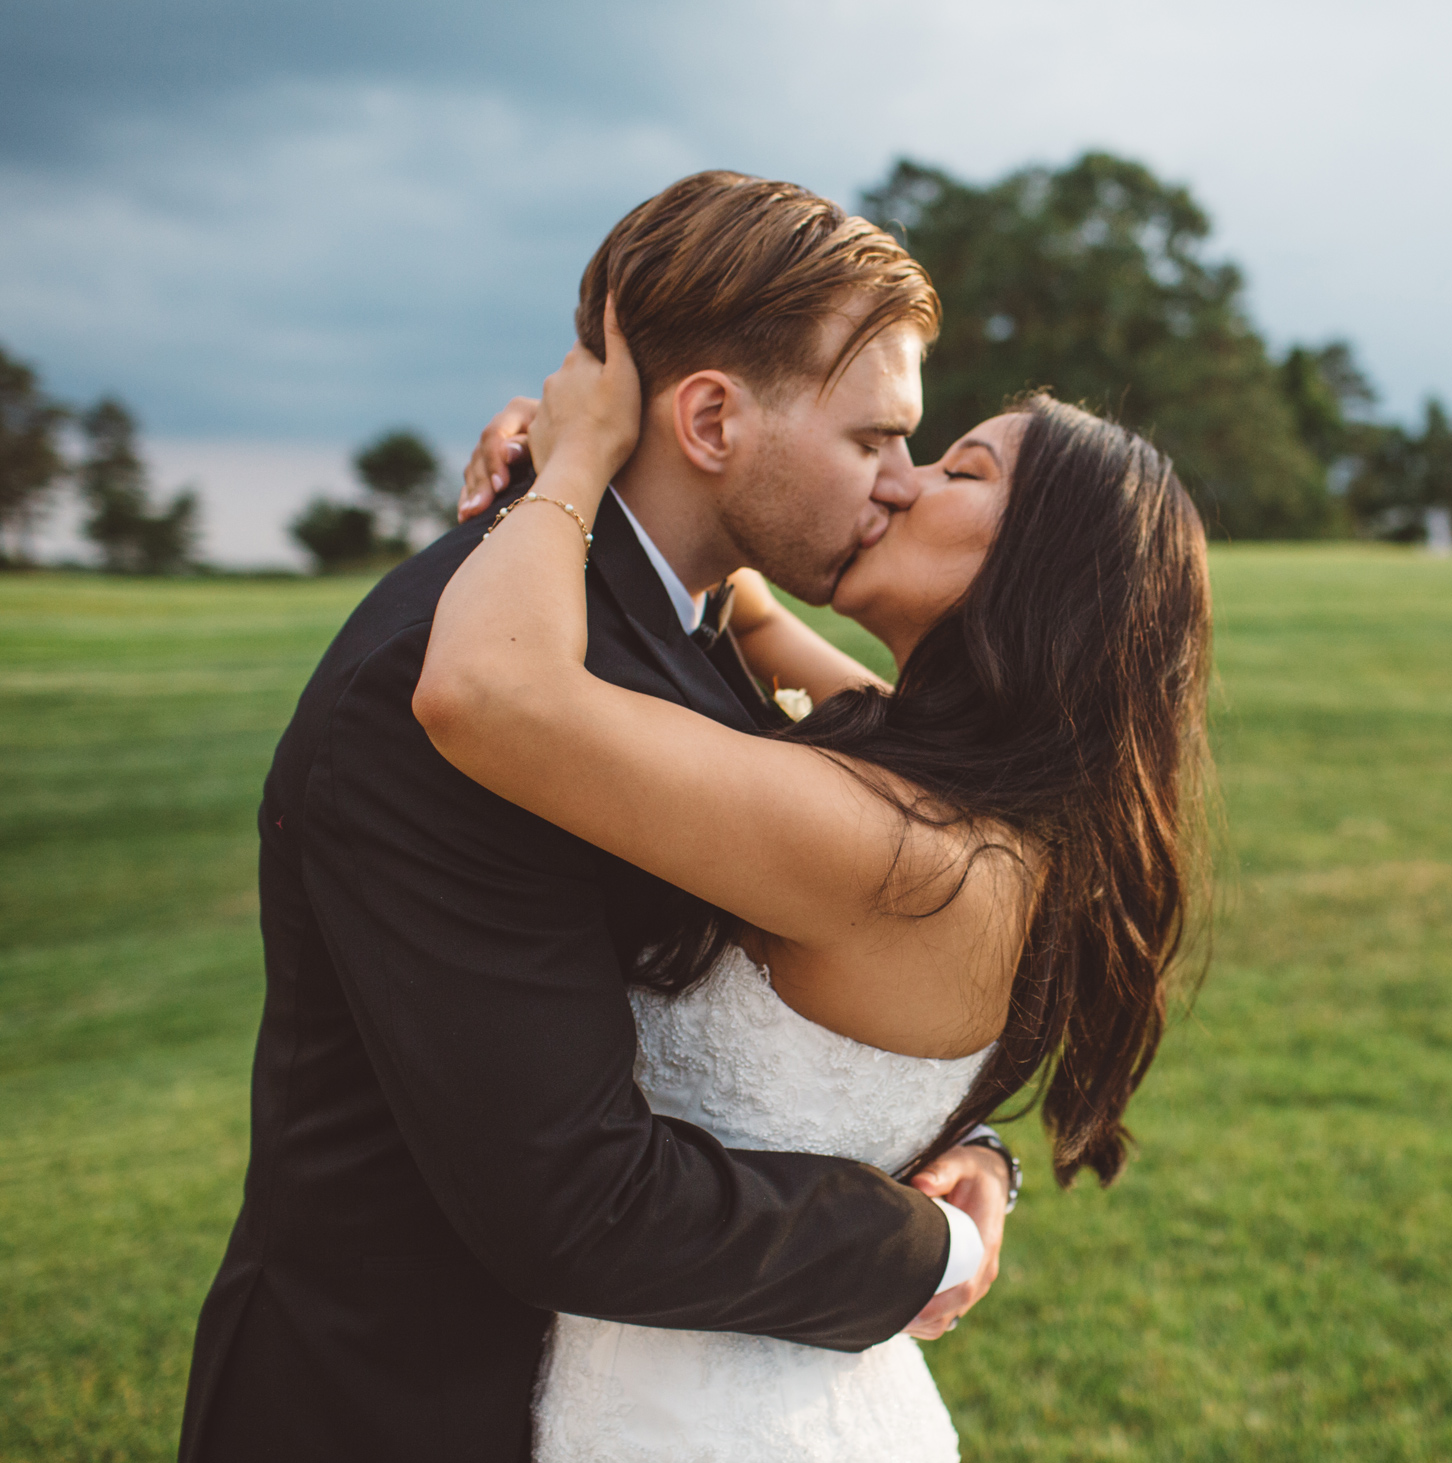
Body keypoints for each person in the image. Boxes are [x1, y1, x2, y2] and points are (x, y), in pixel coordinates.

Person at [178, 172, 1019, 1463]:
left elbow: (794, 974)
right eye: (872, 439)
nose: (898, 481)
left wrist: (956, 1137)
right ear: (710, 418)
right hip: (413, 1405)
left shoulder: (701, 631)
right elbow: (569, 1202)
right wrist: (926, 1244)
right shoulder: (454, 691)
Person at [413, 285, 1211, 1457]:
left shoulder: (896, 846)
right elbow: (733, 602)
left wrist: (576, 460)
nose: (899, 480)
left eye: (961, 471)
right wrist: (660, 469)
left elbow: (484, 692)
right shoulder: (981, 804)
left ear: (1043, 576)